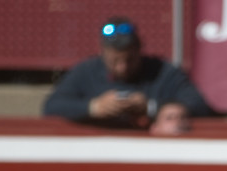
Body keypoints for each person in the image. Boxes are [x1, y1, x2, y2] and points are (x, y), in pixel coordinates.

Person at [42, 16, 212, 129]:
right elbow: (51, 107)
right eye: (115, 61)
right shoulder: (86, 71)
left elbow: (199, 104)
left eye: (129, 60)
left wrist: (151, 107)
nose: (122, 67)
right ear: (102, 53)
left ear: (139, 51)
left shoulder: (162, 72)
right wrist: (94, 107)